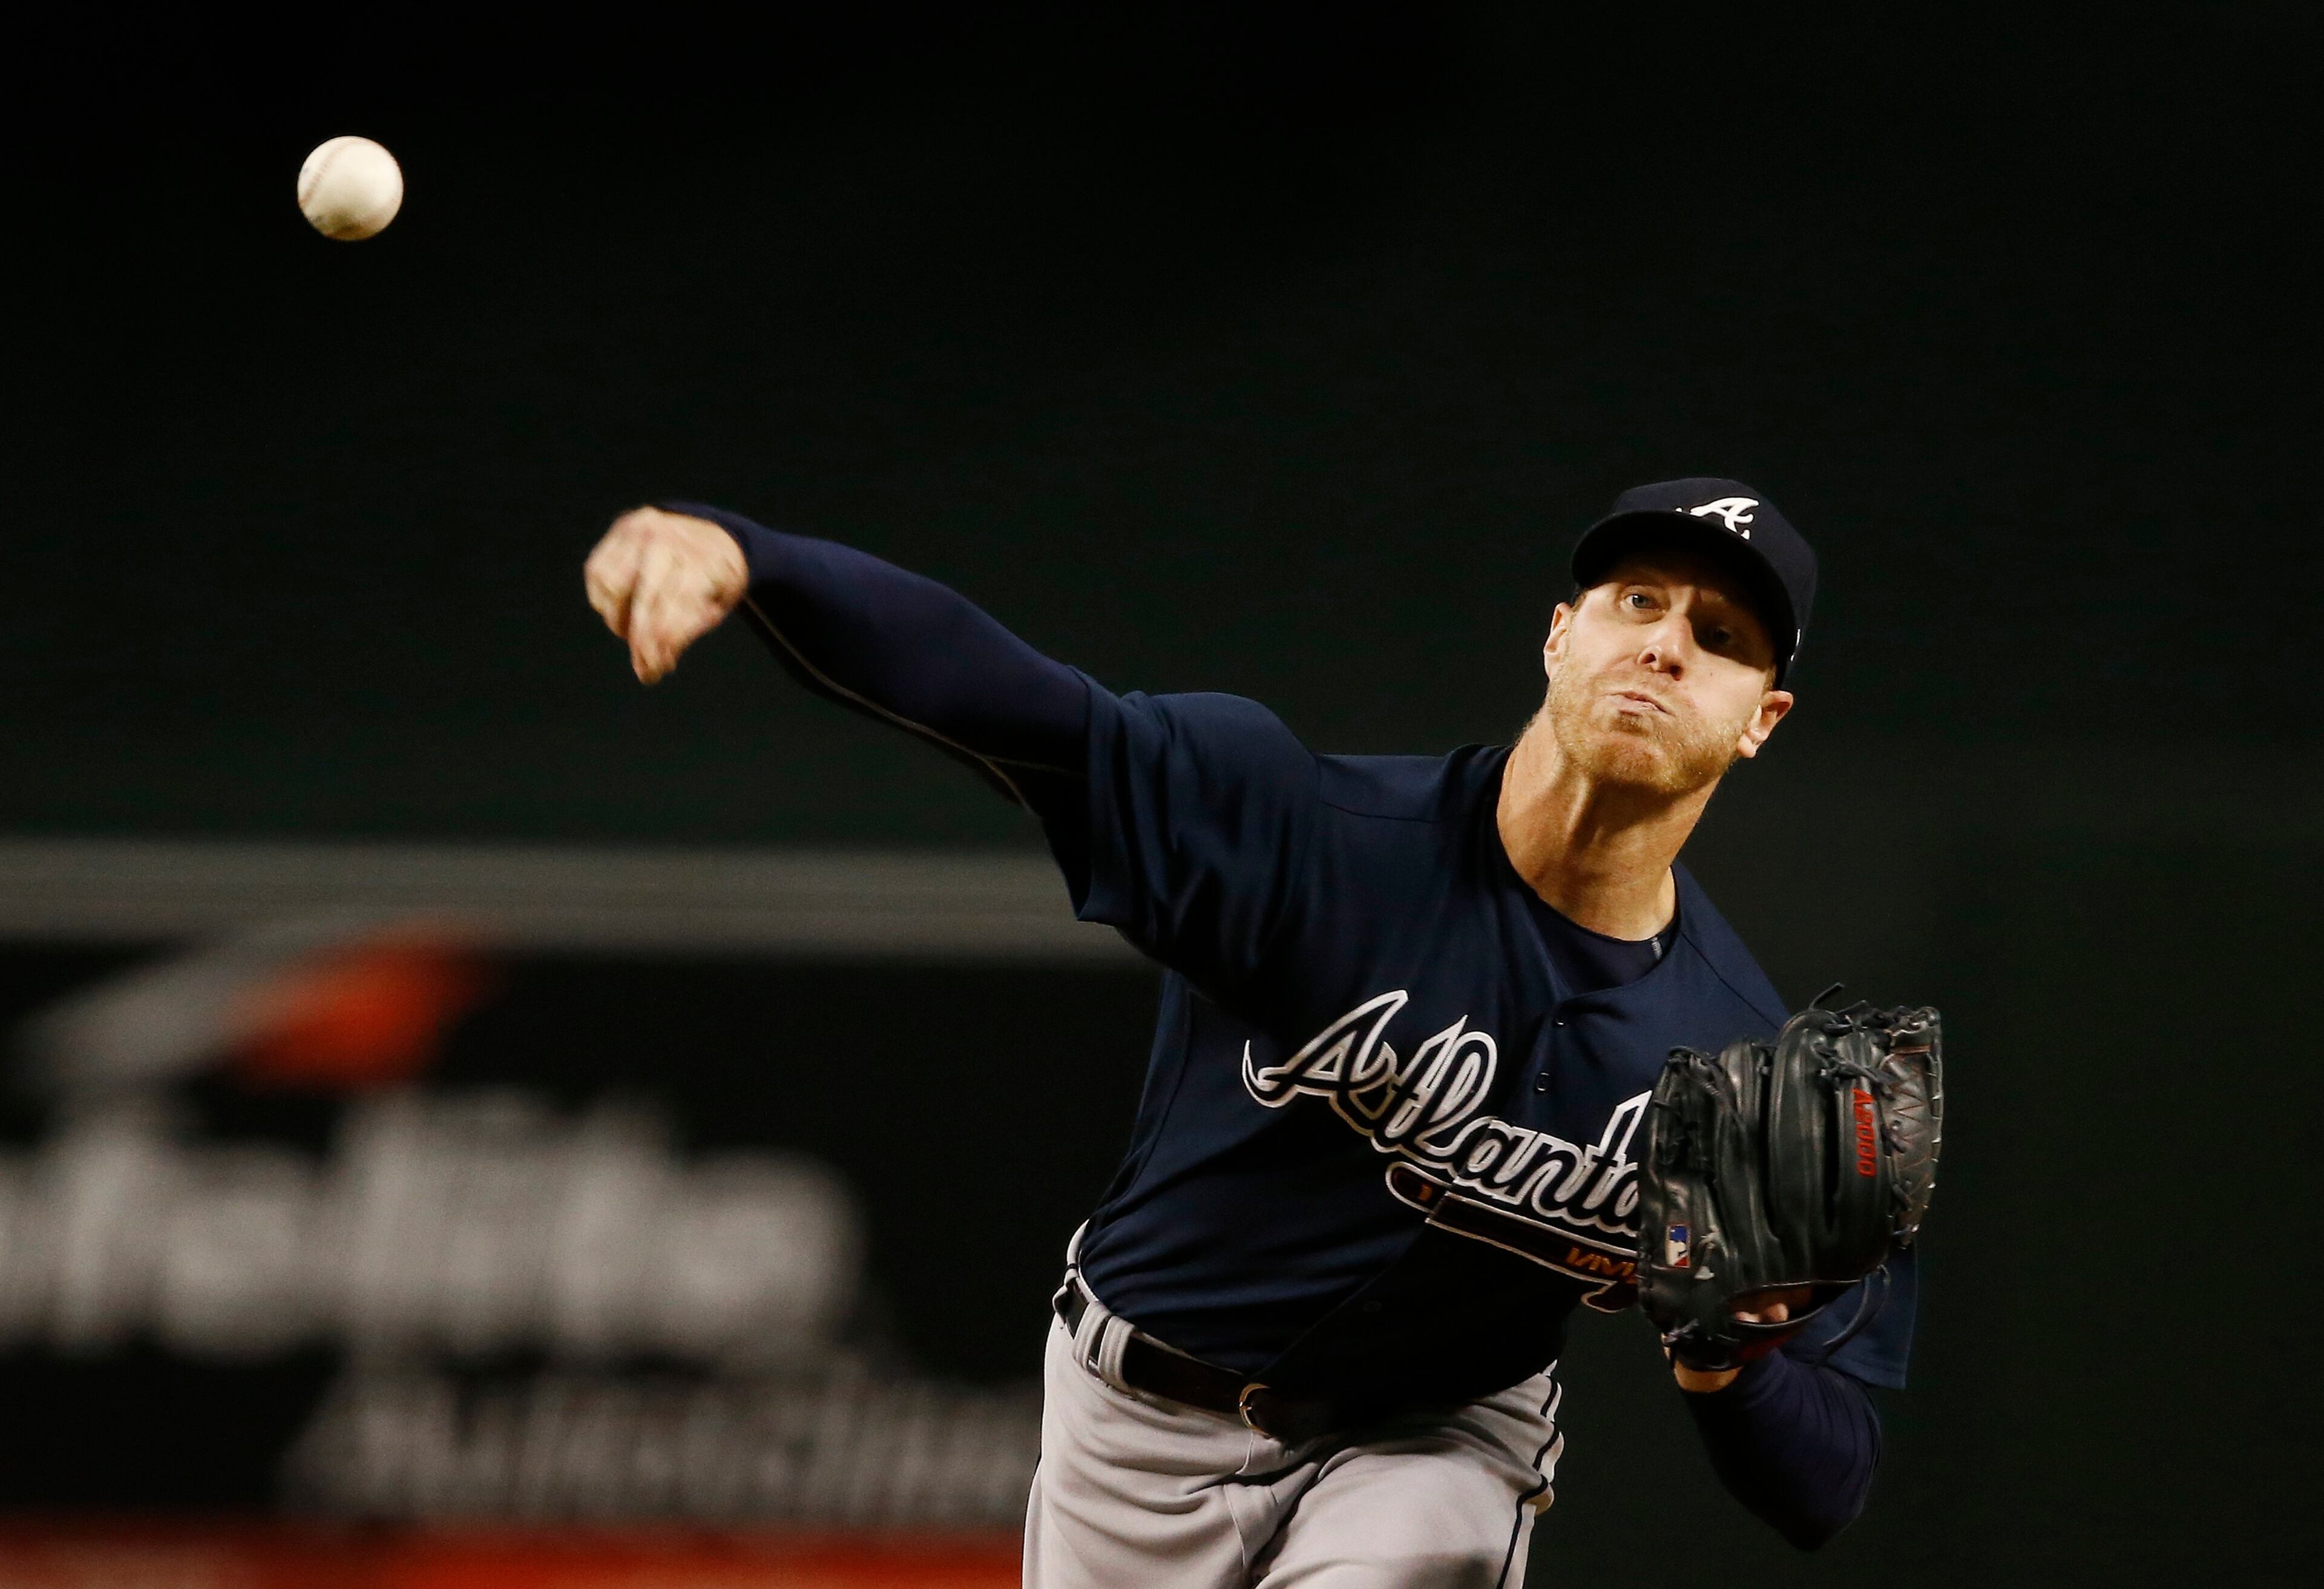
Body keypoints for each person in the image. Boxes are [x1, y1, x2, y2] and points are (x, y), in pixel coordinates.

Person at [582, 478, 1916, 1587]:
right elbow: (1008, 699)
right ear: (1561, 634)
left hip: (1436, 1443)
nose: (1668, 644)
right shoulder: (1299, 831)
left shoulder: (1740, 1069)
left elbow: (1827, 1474)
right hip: (1132, 1417)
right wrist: (751, 557)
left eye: (1724, 636)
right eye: (1640, 601)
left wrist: (1727, 1351)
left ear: (1761, 721)